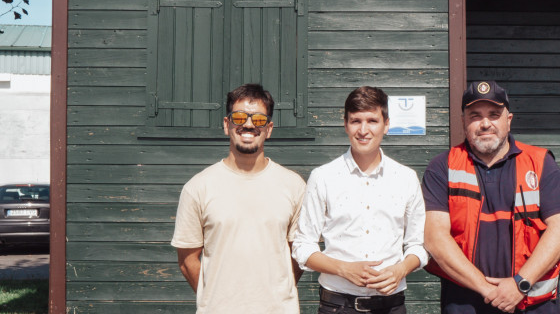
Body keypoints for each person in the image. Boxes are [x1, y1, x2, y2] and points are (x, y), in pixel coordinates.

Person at [423, 80, 560, 314]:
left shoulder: (540, 162)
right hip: (465, 302)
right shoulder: (442, 167)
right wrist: (488, 290)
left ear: (509, 119)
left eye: (494, 114)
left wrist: (519, 284)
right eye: (475, 115)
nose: (485, 123)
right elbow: (435, 238)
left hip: (532, 303)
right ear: (463, 121)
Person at [171, 83, 307, 313]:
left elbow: (298, 256)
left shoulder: (294, 186)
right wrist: (216, 298)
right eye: (239, 117)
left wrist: (272, 294)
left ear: (269, 128)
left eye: (259, 120)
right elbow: (187, 260)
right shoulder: (198, 187)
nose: (248, 124)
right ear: (227, 124)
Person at [292, 86, 428, 314]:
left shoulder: (405, 178)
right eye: (356, 121)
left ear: (386, 124)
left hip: (391, 305)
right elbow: (303, 246)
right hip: (337, 306)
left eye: (372, 121)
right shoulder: (323, 177)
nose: (363, 130)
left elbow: (419, 245)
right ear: (345, 124)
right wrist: (343, 269)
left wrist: (401, 269)